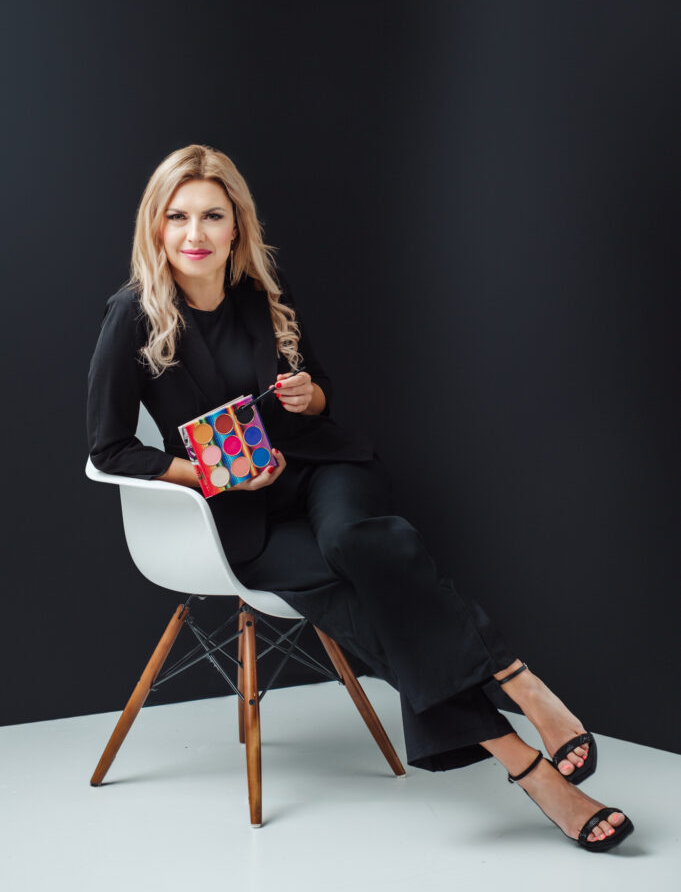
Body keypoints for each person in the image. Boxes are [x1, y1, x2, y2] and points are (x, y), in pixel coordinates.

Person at [86, 143, 634, 852]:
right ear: (155, 227)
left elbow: (317, 394)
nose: (195, 234)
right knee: (369, 610)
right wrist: (209, 475)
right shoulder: (132, 316)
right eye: (178, 216)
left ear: (236, 227)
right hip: (242, 517)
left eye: (212, 216)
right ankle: (531, 766)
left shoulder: (259, 297)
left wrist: (310, 395)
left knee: (359, 541)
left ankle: (519, 683)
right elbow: (108, 450)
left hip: (320, 467)